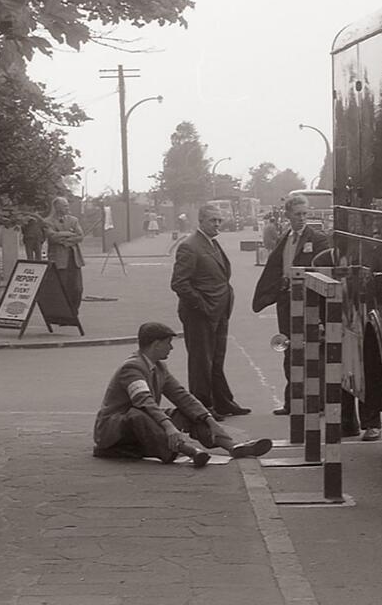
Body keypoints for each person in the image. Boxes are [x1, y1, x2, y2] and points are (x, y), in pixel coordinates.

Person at [93, 322, 272, 466]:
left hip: (144, 416)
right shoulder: (132, 367)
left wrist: (208, 419)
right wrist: (169, 426)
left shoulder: (159, 367)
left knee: (187, 412)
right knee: (138, 415)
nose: (171, 348)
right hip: (115, 427)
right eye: (168, 344)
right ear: (156, 345)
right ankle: (188, 451)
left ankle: (231, 446)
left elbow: (182, 396)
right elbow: (144, 401)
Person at [252, 195, 333, 417]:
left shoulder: (318, 239)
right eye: (297, 214)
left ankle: (318, 402)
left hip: (310, 303)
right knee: (289, 350)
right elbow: (276, 266)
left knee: (313, 350)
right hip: (287, 302)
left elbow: (323, 272)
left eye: (305, 214)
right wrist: (277, 288)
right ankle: (292, 401)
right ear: (287, 215)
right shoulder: (285, 238)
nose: (302, 218)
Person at [171, 204, 250, 419]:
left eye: (219, 220)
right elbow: (179, 283)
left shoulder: (212, 244)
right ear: (201, 221)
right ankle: (202, 407)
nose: (217, 224)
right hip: (200, 314)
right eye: (212, 220)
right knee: (200, 362)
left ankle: (223, 402)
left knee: (216, 358)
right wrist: (202, 305)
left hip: (219, 312)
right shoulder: (190, 246)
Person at [45, 196, 85, 314]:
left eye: (67, 205)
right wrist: (68, 233)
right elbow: (52, 237)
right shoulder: (48, 221)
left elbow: (80, 236)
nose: (67, 208)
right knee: (62, 288)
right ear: (57, 207)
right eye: (64, 205)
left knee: (77, 289)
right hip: (58, 260)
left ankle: (73, 311)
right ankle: (63, 313)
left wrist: (65, 241)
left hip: (74, 260)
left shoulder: (73, 220)